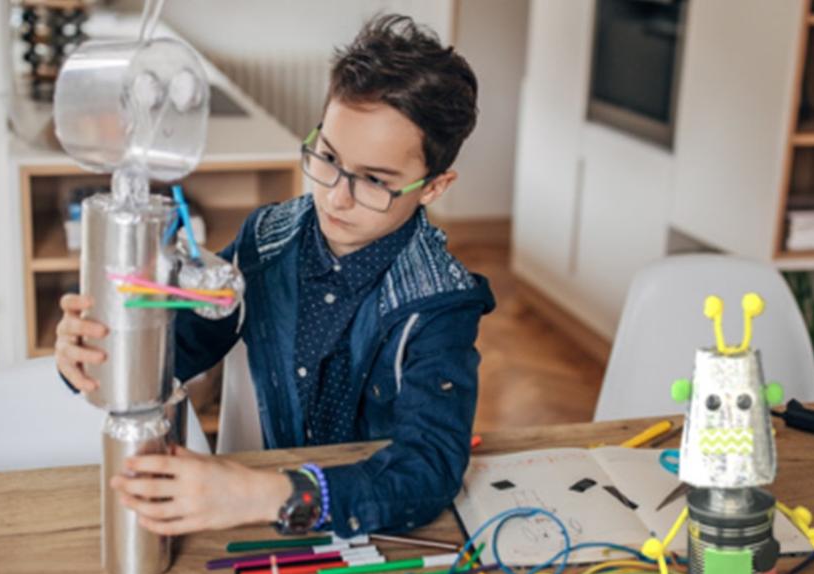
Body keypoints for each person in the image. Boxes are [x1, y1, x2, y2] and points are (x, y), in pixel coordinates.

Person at [55, 14, 494, 538]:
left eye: (375, 180)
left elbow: (428, 470)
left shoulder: (442, 303)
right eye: (328, 157)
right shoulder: (266, 239)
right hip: (257, 523)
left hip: (372, 532)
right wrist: (99, 354)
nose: (336, 195)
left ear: (434, 187)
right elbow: (187, 344)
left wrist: (267, 493)